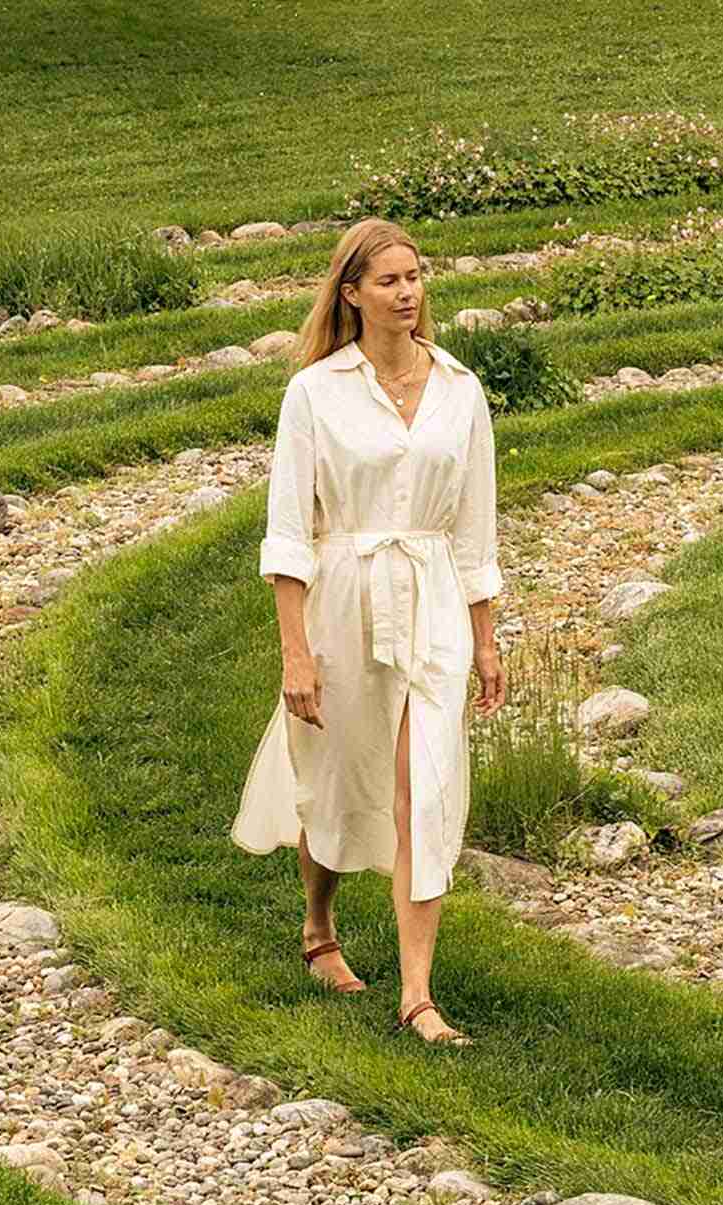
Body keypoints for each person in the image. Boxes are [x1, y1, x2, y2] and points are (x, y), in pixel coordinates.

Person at [230, 216, 507, 1046]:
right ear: (351, 294)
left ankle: (417, 993)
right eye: (388, 281)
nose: (408, 292)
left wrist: (485, 637)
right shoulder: (313, 393)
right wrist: (296, 652)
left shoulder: (461, 389)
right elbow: (287, 532)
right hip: (344, 595)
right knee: (338, 772)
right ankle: (319, 926)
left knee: (425, 780)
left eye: (415, 276)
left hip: (432, 603)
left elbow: (475, 528)